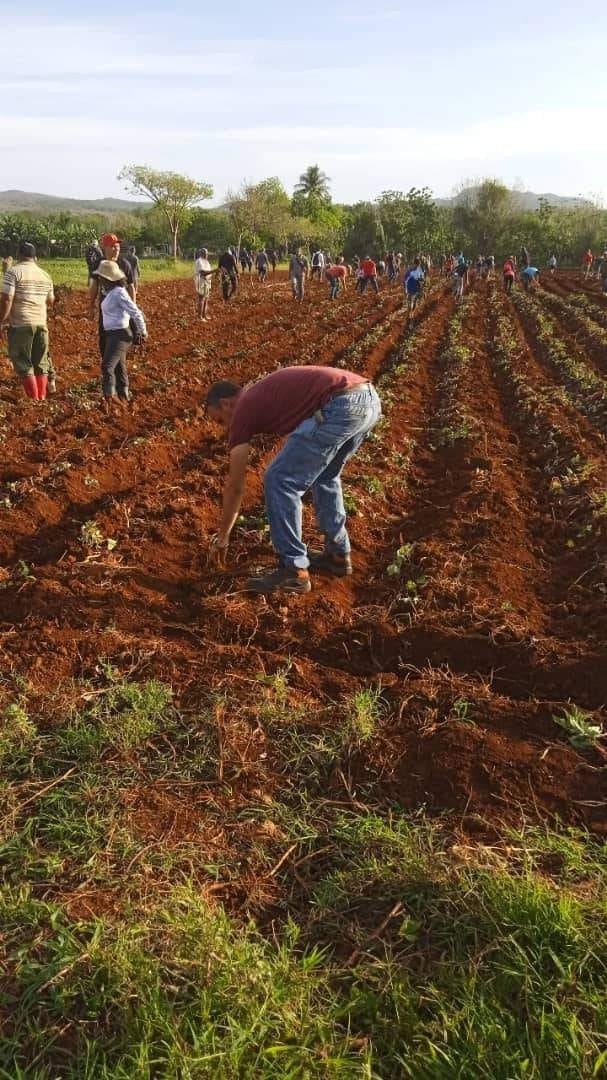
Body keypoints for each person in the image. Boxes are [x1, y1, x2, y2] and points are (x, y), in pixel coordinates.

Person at [205, 366, 382, 594]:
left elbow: (236, 486)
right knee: (326, 477)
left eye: (220, 420)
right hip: (367, 398)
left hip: (341, 405)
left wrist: (223, 538)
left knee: (279, 479)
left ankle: (293, 570)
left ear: (227, 403)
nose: (225, 428)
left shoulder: (242, 409)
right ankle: (337, 555)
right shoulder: (259, 395)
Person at [0, 241, 54, 400]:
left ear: (19, 255)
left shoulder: (14, 272)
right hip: (41, 323)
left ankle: (33, 400)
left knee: (22, 362)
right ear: (34, 257)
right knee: (41, 363)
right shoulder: (45, 275)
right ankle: (41, 399)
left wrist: (2, 320)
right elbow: (51, 300)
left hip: (21, 324)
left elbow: (7, 299)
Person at [94, 260, 147, 411]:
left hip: (121, 335)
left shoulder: (119, 293)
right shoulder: (108, 292)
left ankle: (110, 397)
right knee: (118, 365)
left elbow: (135, 312)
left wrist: (142, 331)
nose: (100, 279)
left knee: (107, 365)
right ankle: (124, 396)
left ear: (108, 278)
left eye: (101, 277)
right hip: (112, 334)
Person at [88, 233, 135, 362]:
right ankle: (108, 371)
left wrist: (132, 309)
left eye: (117, 246)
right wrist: (91, 306)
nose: (116, 249)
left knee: (118, 343)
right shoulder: (99, 264)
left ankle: (114, 372)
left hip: (121, 311)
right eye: (112, 246)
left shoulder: (124, 264)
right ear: (104, 248)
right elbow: (94, 286)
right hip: (105, 310)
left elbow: (131, 287)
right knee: (104, 341)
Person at [194, 248, 215, 321]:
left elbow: (209, 272)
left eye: (207, 253)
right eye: (205, 253)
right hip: (201, 281)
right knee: (201, 299)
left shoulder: (206, 261)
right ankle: (200, 317)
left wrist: (213, 274)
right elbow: (203, 273)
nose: (207, 255)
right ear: (201, 254)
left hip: (207, 281)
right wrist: (214, 271)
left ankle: (204, 315)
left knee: (206, 299)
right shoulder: (199, 261)